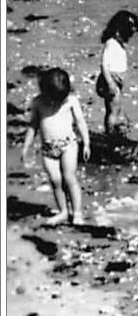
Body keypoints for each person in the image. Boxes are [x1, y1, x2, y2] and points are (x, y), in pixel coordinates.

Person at [24, 68, 92, 225]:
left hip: (68, 145)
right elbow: (33, 125)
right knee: (55, 180)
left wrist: (86, 142)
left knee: (69, 177)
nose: (55, 103)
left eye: (59, 99)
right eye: (51, 99)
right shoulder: (38, 103)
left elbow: (80, 122)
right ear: (44, 91)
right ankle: (63, 211)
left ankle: (77, 212)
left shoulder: (71, 101)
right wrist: (26, 146)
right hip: (48, 149)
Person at [96, 9, 138, 139]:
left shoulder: (118, 43)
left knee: (115, 109)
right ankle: (110, 133)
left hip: (116, 80)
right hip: (111, 80)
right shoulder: (111, 43)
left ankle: (111, 130)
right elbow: (104, 65)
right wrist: (110, 83)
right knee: (113, 110)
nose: (130, 38)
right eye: (129, 34)